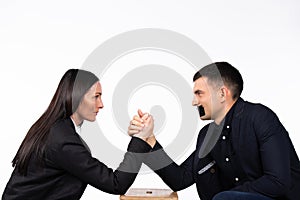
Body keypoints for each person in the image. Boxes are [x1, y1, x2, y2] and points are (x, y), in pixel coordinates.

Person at [128, 62, 300, 200]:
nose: (194, 102)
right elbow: (180, 179)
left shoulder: (260, 118)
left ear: (222, 94)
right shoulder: (207, 136)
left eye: (199, 93)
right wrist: (149, 139)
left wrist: (224, 196)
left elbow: (278, 181)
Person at [2, 69, 154, 199]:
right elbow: (116, 184)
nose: (101, 104)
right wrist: (140, 139)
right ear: (77, 97)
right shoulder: (62, 139)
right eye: (96, 96)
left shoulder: (55, 129)